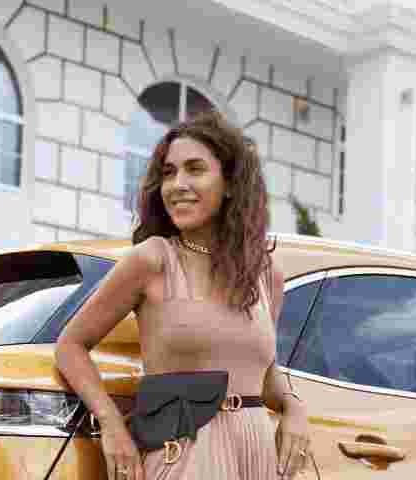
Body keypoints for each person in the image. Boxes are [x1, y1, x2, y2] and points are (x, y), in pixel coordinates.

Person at [54, 111, 310, 480]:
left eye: (195, 169)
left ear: (230, 184)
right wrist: (111, 424)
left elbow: (266, 379)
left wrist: (293, 408)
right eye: (169, 173)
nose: (177, 184)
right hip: (184, 453)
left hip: (255, 454)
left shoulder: (266, 275)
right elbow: (70, 345)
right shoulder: (152, 259)